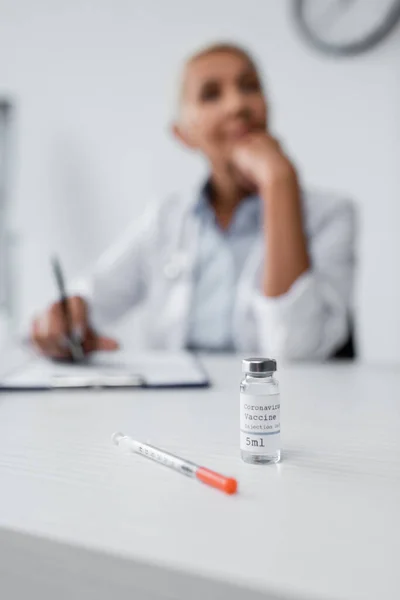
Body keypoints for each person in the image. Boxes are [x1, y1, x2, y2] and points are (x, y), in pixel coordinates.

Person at [31, 42, 356, 360]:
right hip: (181, 408)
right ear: (183, 134)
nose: (237, 105)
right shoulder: (165, 219)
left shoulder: (330, 215)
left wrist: (280, 183)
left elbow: (297, 350)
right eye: (211, 94)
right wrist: (67, 314)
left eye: (250, 87)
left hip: (280, 405)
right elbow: (92, 293)